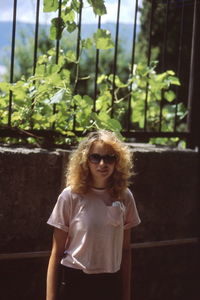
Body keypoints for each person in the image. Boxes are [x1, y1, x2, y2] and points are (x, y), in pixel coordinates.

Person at [46, 129, 141, 300]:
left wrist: (126, 295)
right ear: (85, 161)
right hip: (75, 282)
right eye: (95, 157)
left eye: (110, 158)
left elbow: (126, 251)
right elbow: (57, 252)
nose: (102, 164)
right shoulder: (70, 196)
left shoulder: (125, 196)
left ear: (118, 162)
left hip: (110, 284)